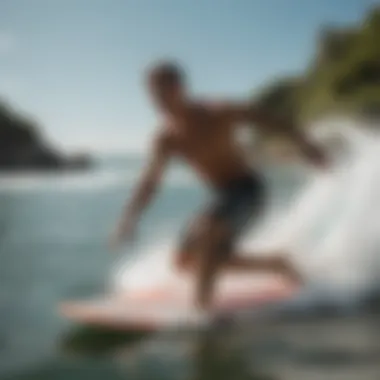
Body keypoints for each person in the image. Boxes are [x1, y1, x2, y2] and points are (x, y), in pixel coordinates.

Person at [110, 61, 328, 312]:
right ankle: (277, 264)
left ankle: (202, 309)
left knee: (208, 230)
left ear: (179, 88)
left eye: (161, 94)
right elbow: (150, 182)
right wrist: (128, 218)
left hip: (248, 190)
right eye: (152, 96)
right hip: (222, 196)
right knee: (185, 263)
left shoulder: (218, 112)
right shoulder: (166, 138)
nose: (156, 102)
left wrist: (309, 147)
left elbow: (271, 120)